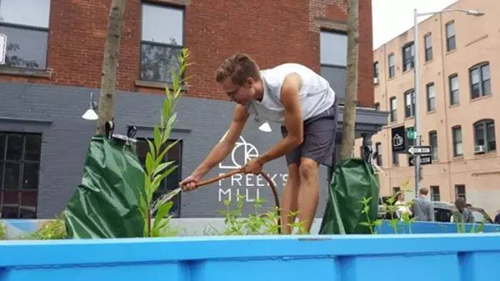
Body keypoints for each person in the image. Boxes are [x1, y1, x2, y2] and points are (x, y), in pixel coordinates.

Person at [180, 53, 337, 234]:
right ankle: (285, 236)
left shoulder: (286, 87)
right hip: (291, 116)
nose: (230, 98)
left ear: (249, 82)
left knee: (307, 166)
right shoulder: (244, 106)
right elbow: (227, 143)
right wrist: (197, 175)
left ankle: (303, 237)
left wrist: (261, 160)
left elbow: (296, 138)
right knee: (293, 171)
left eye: (232, 93)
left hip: (320, 108)